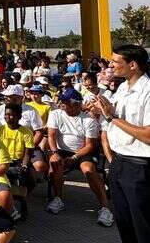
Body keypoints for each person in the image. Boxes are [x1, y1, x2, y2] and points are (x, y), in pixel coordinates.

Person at [91, 45, 150, 243]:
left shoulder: (148, 90)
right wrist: (100, 109)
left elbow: (147, 135)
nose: (111, 66)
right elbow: (111, 116)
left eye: (116, 62)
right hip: (120, 162)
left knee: (143, 224)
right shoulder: (123, 88)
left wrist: (112, 117)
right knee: (126, 222)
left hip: (140, 167)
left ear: (133, 64)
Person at [46, 87, 114, 227]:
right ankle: (58, 198)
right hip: (61, 150)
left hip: (83, 152)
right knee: (55, 163)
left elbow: (91, 145)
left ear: (77, 104)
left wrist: (74, 158)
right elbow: (51, 135)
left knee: (88, 169)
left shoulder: (88, 120)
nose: (62, 105)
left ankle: (105, 207)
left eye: (66, 102)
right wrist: (54, 152)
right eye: (62, 101)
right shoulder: (55, 114)